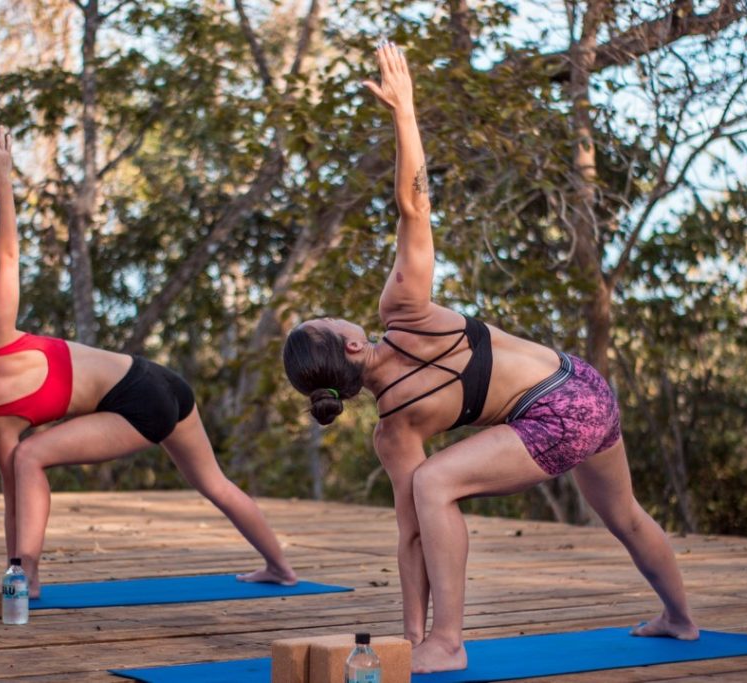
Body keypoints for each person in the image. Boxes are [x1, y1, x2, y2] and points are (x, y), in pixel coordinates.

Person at [282, 43, 698, 673]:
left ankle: (447, 641)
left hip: (557, 409)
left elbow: (413, 536)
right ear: (348, 343)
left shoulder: (394, 429)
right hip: (582, 388)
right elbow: (414, 207)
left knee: (434, 482)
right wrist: (405, 113)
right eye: (327, 318)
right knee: (623, 514)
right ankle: (681, 620)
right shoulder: (405, 315)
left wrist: (415, 638)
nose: (336, 313)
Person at [0, 125, 297, 597]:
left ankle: (30, 576)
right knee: (213, 482)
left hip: (143, 398)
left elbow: (16, 501)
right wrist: (3, 181)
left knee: (32, 457)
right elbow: (8, 256)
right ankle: (280, 567)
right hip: (156, 381)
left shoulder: (1, 425)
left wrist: (14, 566)